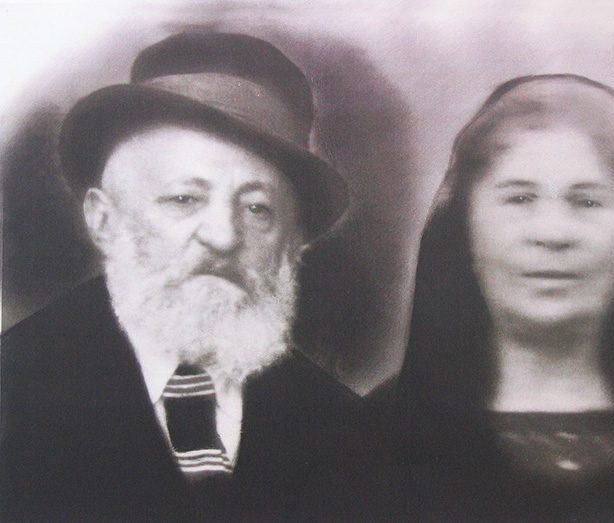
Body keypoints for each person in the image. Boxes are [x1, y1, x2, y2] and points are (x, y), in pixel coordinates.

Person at [0, 32, 369, 521]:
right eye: (184, 199)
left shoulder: (345, 428)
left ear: (294, 242)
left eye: (258, 208)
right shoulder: (14, 388)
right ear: (104, 220)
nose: (223, 236)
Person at [392, 74, 614, 521]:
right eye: (519, 198)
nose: (553, 233)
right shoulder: (374, 439)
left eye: (587, 202)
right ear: (465, 226)